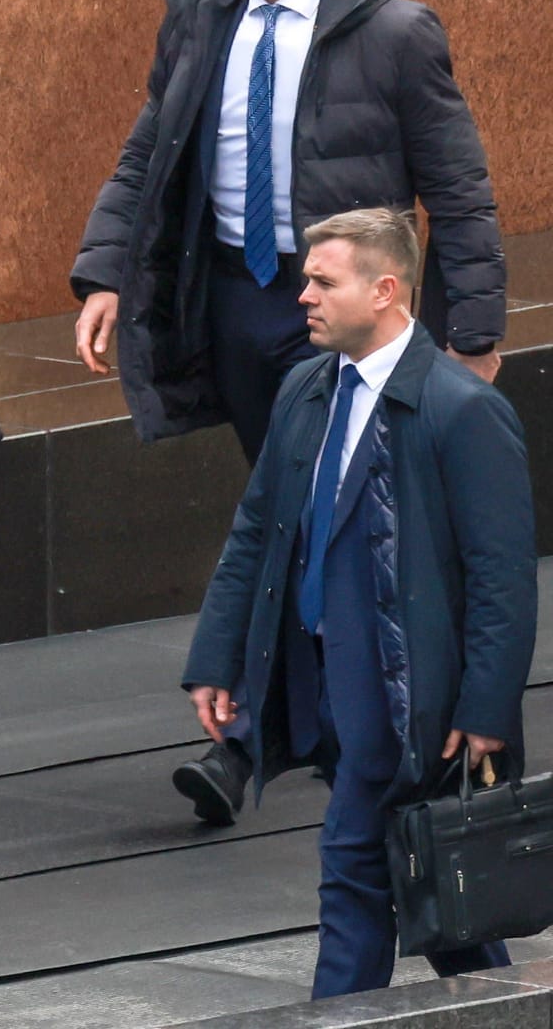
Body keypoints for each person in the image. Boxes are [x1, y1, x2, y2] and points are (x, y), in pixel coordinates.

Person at [67, 0, 507, 828]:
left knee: (319, 516)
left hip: (347, 316)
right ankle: (291, 724)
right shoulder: (201, 16)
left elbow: (458, 188)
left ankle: (253, 739)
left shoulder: (395, 34)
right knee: (286, 514)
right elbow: (150, 149)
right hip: (237, 302)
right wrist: (106, 273)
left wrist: (476, 336)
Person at [184, 208, 532, 998]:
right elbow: (257, 531)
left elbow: (502, 579)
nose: (302, 295)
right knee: (435, 892)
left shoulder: (463, 410)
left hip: (409, 700)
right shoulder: (306, 389)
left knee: (352, 872)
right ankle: (508, 1007)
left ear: (384, 291)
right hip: (329, 686)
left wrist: (483, 708)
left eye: (321, 281)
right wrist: (218, 659)